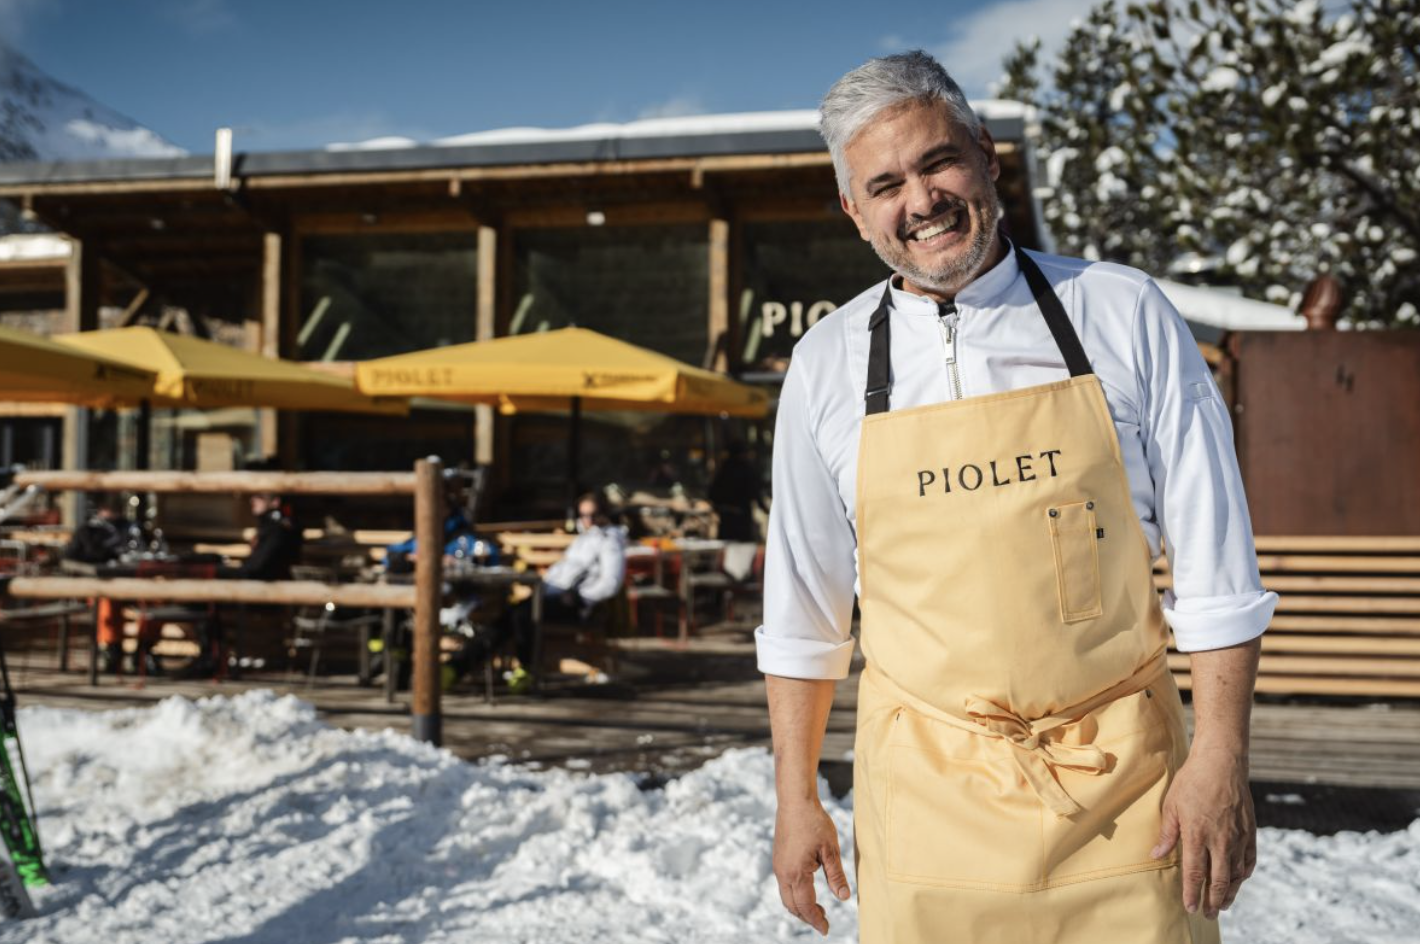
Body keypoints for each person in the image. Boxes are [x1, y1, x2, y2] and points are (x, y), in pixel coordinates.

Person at [758, 51, 1276, 943]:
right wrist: (795, 799)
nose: (919, 201)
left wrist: (1221, 759)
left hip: (1125, 788)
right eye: (884, 184)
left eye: (937, 163)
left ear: (987, 155)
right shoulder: (826, 365)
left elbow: (1218, 568)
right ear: (853, 210)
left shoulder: (1123, 313)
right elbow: (805, 611)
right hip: (922, 799)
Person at [455, 490, 627, 692]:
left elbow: (611, 582)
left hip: (575, 603)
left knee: (521, 615)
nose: (587, 520)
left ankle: (526, 671)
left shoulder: (609, 541)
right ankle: (457, 666)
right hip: (551, 593)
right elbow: (565, 570)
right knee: (508, 616)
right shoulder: (585, 538)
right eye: (583, 515)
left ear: (603, 513)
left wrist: (582, 598)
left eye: (592, 515)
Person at [708, 440, 766, 541]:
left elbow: (712, 495)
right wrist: (765, 508)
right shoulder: (745, 469)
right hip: (740, 518)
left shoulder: (724, 470)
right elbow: (755, 492)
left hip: (728, 518)